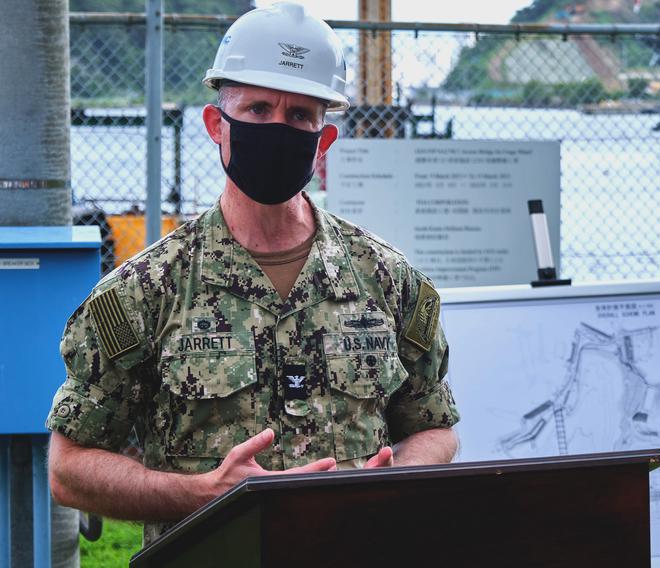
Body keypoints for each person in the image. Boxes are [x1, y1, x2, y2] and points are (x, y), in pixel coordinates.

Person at [46, 2, 459, 544]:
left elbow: (433, 425)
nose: (277, 128)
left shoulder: (387, 279)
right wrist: (205, 493)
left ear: (323, 141)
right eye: (259, 110)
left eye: (299, 117)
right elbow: (69, 466)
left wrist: (393, 482)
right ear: (217, 125)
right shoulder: (145, 292)